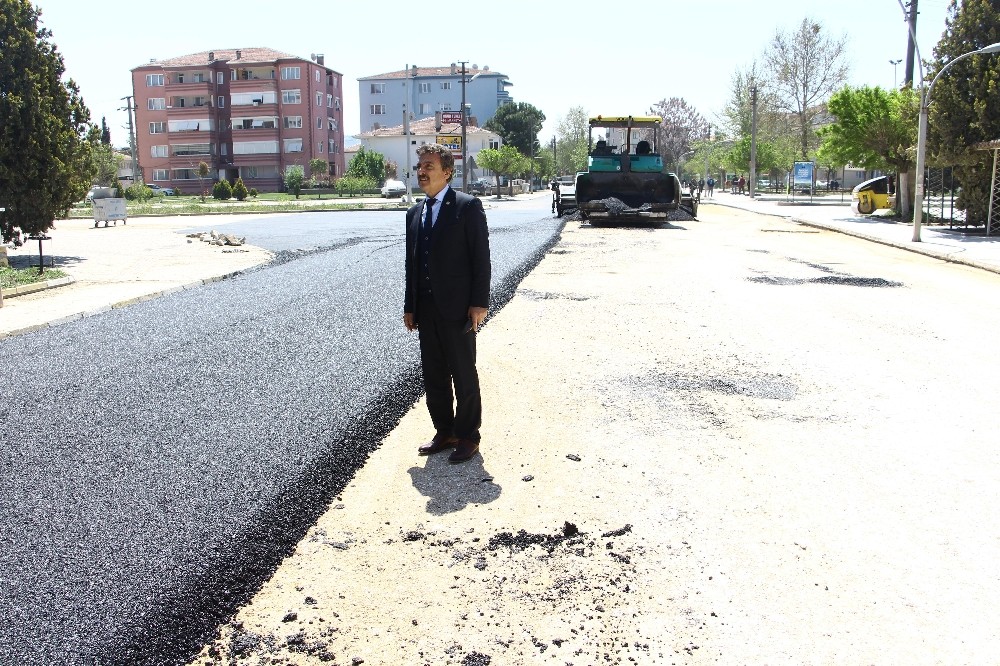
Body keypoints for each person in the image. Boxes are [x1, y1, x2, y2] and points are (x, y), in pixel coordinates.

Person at [404, 143, 491, 464]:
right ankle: (445, 431)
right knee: (434, 375)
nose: (422, 172)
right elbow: (411, 263)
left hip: (458, 308)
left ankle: (468, 435)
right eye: (419, 166)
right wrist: (410, 305)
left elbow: (480, 258)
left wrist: (479, 303)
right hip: (426, 310)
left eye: (428, 166)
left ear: (447, 172)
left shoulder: (467, 207)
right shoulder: (415, 212)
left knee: (463, 373)